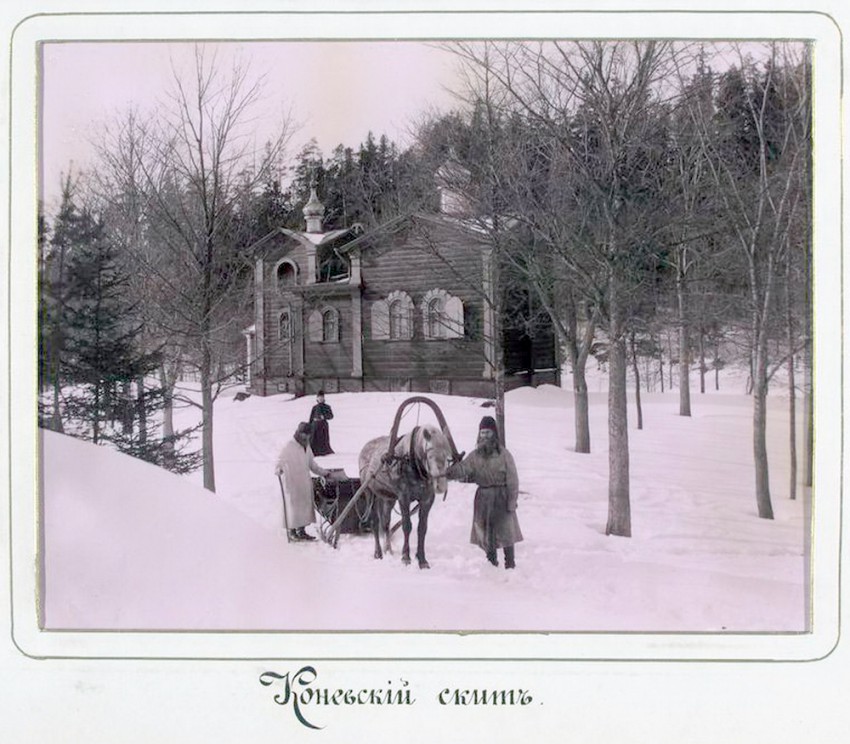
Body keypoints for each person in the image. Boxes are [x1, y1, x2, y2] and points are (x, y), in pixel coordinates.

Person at [447, 416, 523, 569]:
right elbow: (463, 469)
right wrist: (447, 472)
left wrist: (511, 502)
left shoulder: (504, 455)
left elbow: (513, 480)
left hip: (502, 497)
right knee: (487, 533)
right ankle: (491, 563)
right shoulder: (475, 456)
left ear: (494, 433)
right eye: (482, 433)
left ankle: (510, 564)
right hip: (483, 499)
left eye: (488, 432)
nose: (485, 436)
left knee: (507, 533)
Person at [274, 422, 332, 542]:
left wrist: (324, 472)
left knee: (304, 507)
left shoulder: (307, 447)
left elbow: (312, 465)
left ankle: (302, 531)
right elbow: (280, 459)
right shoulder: (289, 445)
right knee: (294, 508)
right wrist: (278, 468)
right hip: (292, 481)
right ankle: (292, 532)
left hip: (304, 481)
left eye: (308, 435)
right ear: (299, 433)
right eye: (304, 434)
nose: (306, 437)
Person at [309, 390, 335, 456]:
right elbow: (311, 417)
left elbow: (331, 416)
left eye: (321, 397)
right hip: (315, 425)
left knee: (323, 439)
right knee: (314, 439)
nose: (320, 399)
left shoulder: (327, 407)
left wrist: (324, 417)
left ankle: (323, 451)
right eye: (319, 397)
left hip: (323, 425)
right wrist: (309, 426)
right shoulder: (314, 407)